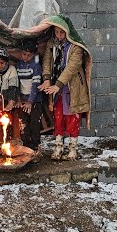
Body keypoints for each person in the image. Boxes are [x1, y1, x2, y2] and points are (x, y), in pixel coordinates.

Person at [37, 15, 92, 161]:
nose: (60, 35)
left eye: (62, 32)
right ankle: (58, 147)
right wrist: (47, 79)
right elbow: (47, 61)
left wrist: (58, 85)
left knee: (72, 117)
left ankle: (72, 149)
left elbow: (72, 67)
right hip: (57, 89)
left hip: (72, 88)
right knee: (58, 117)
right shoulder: (52, 43)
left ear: (68, 32)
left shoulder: (76, 46)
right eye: (57, 32)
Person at [14, 38, 44, 150]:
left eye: (29, 55)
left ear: (34, 54)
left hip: (35, 101)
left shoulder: (36, 66)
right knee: (23, 123)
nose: (26, 57)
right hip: (23, 100)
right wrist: (18, 99)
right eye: (24, 54)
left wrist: (30, 102)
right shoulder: (18, 65)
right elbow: (16, 84)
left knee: (35, 123)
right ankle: (26, 146)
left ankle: (35, 146)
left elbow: (35, 85)